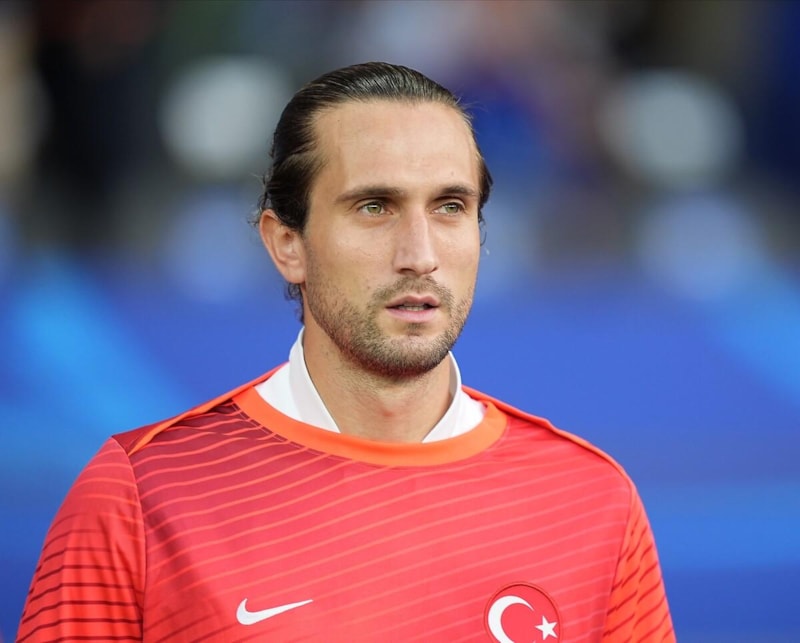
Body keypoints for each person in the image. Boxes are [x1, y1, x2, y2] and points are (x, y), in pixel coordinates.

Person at [18, 62, 674, 642]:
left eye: (449, 206)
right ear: (287, 244)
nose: (419, 254)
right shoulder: (141, 497)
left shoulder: (591, 503)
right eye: (374, 207)